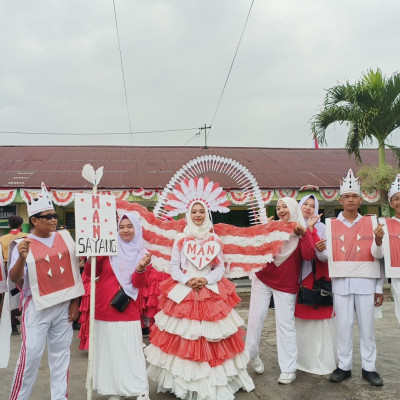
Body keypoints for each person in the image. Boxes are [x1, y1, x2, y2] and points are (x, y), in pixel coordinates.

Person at [145, 201, 255, 400]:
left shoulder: (215, 239)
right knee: (186, 336)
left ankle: (214, 381)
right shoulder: (181, 238)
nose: (197, 215)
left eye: (201, 211)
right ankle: (186, 384)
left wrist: (206, 279)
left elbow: (220, 268)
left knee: (212, 336)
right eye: (194, 212)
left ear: (207, 213)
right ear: (188, 214)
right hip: (185, 289)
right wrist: (188, 280)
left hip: (210, 289)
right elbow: (174, 267)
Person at [8, 182, 83, 400]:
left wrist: (75, 302)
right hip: (37, 307)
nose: (52, 219)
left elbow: (74, 272)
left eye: (54, 216)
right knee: (30, 357)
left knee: (61, 357)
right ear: (34, 220)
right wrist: (21, 259)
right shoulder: (22, 243)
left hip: (63, 306)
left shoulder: (66, 239)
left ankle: (60, 397)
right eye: (46, 216)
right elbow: (15, 278)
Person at [246, 196, 315, 384]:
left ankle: (288, 368)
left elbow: (309, 255)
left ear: (293, 208)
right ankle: (251, 355)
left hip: (286, 284)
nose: (281, 210)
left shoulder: (300, 229)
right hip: (263, 278)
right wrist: (263, 231)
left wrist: (304, 233)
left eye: (285, 207)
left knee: (285, 326)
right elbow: (257, 251)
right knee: (255, 319)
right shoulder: (272, 227)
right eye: (278, 207)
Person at [326, 169, 384, 387]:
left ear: (360, 199)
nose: (351, 200)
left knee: (367, 328)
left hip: (366, 282)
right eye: (347, 196)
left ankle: (369, 368)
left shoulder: (371, 224)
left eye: (354, 196)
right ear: (340, 199)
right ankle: (344, 366)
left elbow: (377, 256)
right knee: (343, 326)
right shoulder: (331, 225)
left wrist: (378, 242)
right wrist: (322, 249)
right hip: (341, 283)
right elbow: (326, 257)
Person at [84, 213, 151, 400]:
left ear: (136, 229)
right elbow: (91, 273)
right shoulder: (107, 247)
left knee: (131, 350)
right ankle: (115, 390)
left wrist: (140, 268)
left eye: (129, 226)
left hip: (127, 308)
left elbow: (140, 284)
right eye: (121, 227)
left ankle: (140, 390)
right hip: (104, 307)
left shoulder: (143, 254)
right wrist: (91, 257)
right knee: (110, 352)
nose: (125, 230)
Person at [294, 194, 336, 375]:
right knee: (301, 321)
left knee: (319, 321)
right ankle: (301, 360)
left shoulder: (323, 228)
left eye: (312, 205)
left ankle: (321, 361)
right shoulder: (292, 226)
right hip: (297, 279)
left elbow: (325, 256)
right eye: (305, 204)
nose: (308, 208)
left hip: (317, 277)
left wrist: (311, 231)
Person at [378, 174, 400, 326]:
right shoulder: (383, 225)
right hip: (397, 276)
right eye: (396, 198)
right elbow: (379, 256)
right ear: (391, 203)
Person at [0, 216, 27, 335]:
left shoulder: (2, 238)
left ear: (9, 226)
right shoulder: (26, 236)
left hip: (5, 270)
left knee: (6, 297)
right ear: (21, 225)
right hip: (22, 269)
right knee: (22, 293)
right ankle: (21, 319)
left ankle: (10, 322)